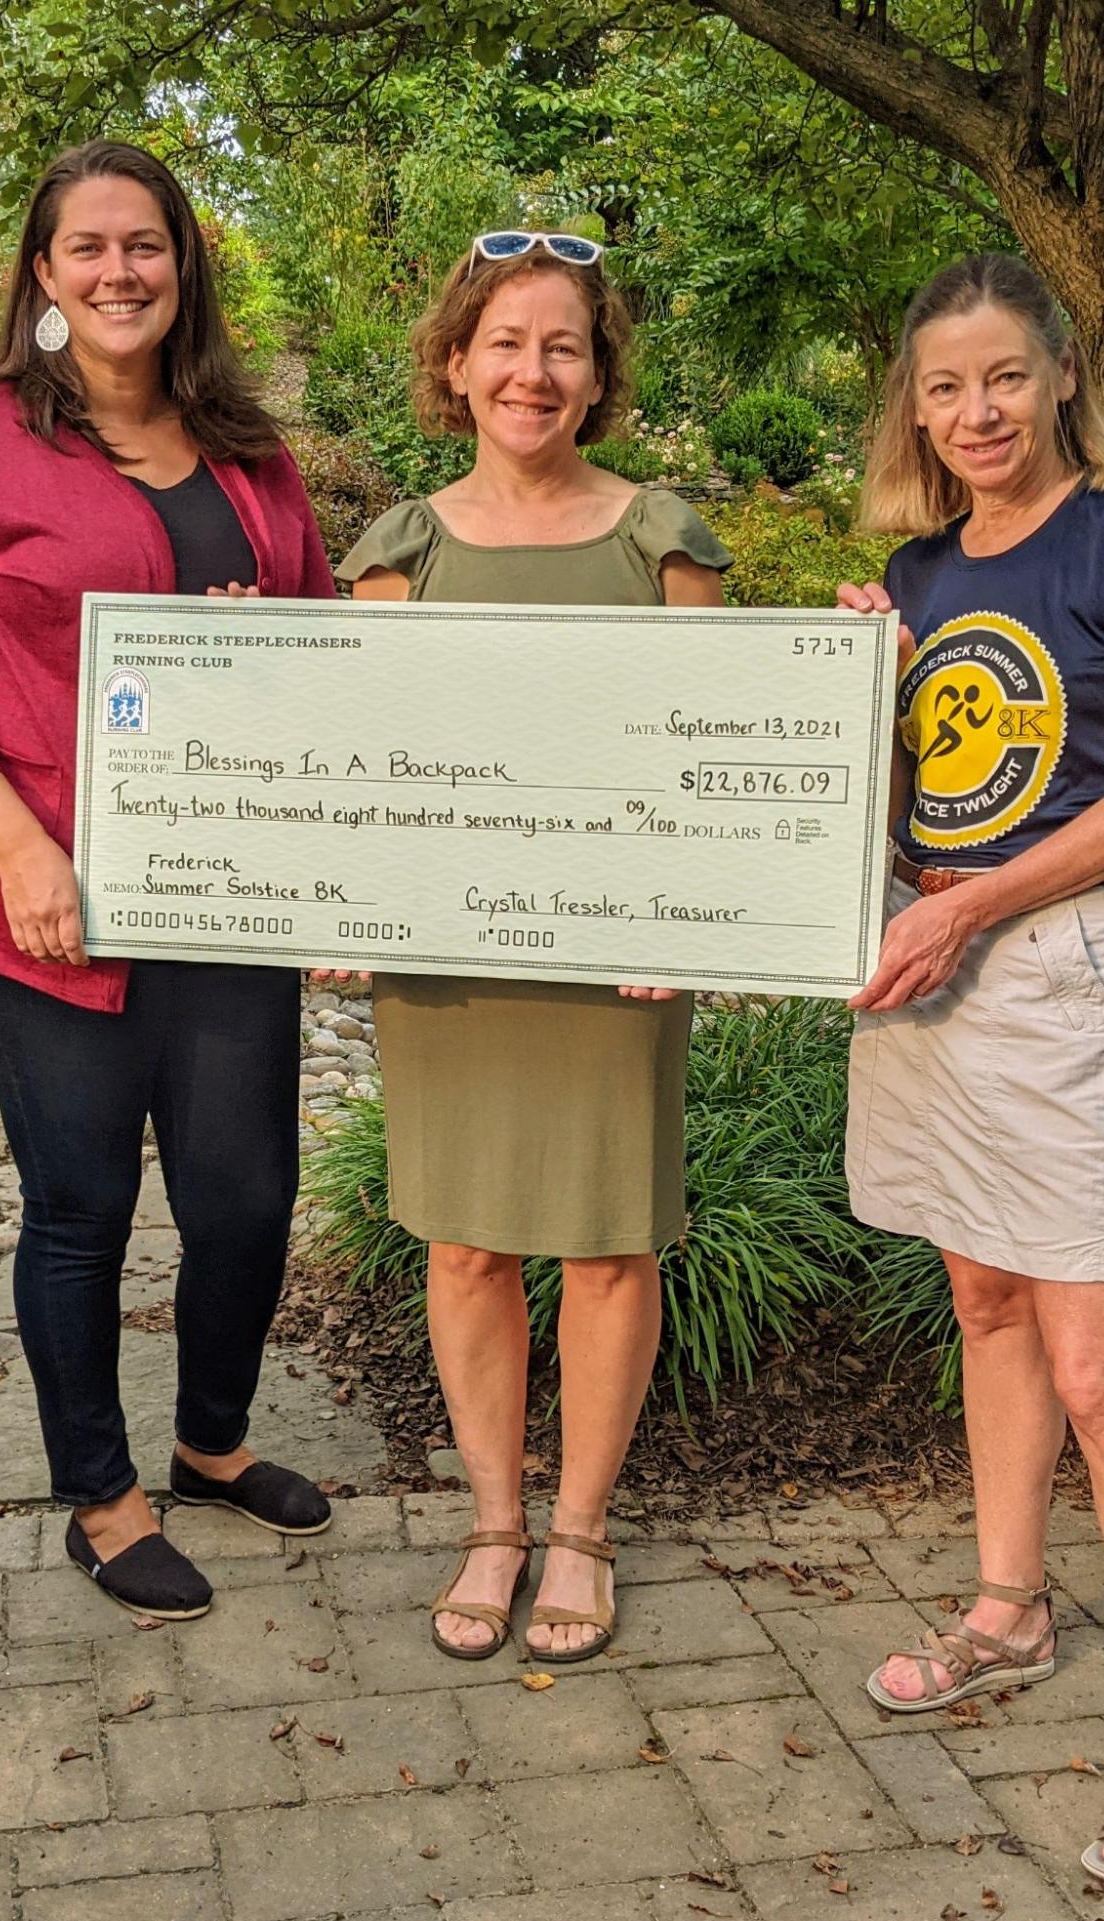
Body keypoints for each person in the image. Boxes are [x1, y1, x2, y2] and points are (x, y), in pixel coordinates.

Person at [0, 141, 338, 1622]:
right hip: (40, 902)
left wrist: (275, 657)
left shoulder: (253, 456)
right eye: (90, 249)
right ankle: (104, 1496)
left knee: (249, 1201)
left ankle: (210, 1444)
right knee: (82, 1205)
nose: (121, 272)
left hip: (223, 891)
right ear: (43, 276)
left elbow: (331, 665)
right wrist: (18, 845)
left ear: (183, 267)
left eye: (149, 245)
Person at [838, 252, 1104, 1891]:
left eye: (1003, 378)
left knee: (1098, 1369)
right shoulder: (922, 570)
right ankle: (1010, 1608)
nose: (975, 412)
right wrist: (839, 694)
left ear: (1062, 373)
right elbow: (900, 808)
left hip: (1066, 969)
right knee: (985, 1306)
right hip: (935, 967)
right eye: (944, 389)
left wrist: (975, 912)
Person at [332, 232, 731, 1664]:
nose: (532, 371)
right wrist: (329, 904)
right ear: (455, 364)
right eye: (504, 343)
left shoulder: (660, 540)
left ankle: (583, 1532)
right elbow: (360, 768)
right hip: (453, 969)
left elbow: (710, 762)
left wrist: (686, 914)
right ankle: (494, 1524)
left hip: (614, 964)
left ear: (598, 373)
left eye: (562, 346)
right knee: (465, 1244)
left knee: (614, 1247)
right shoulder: (402, 551)